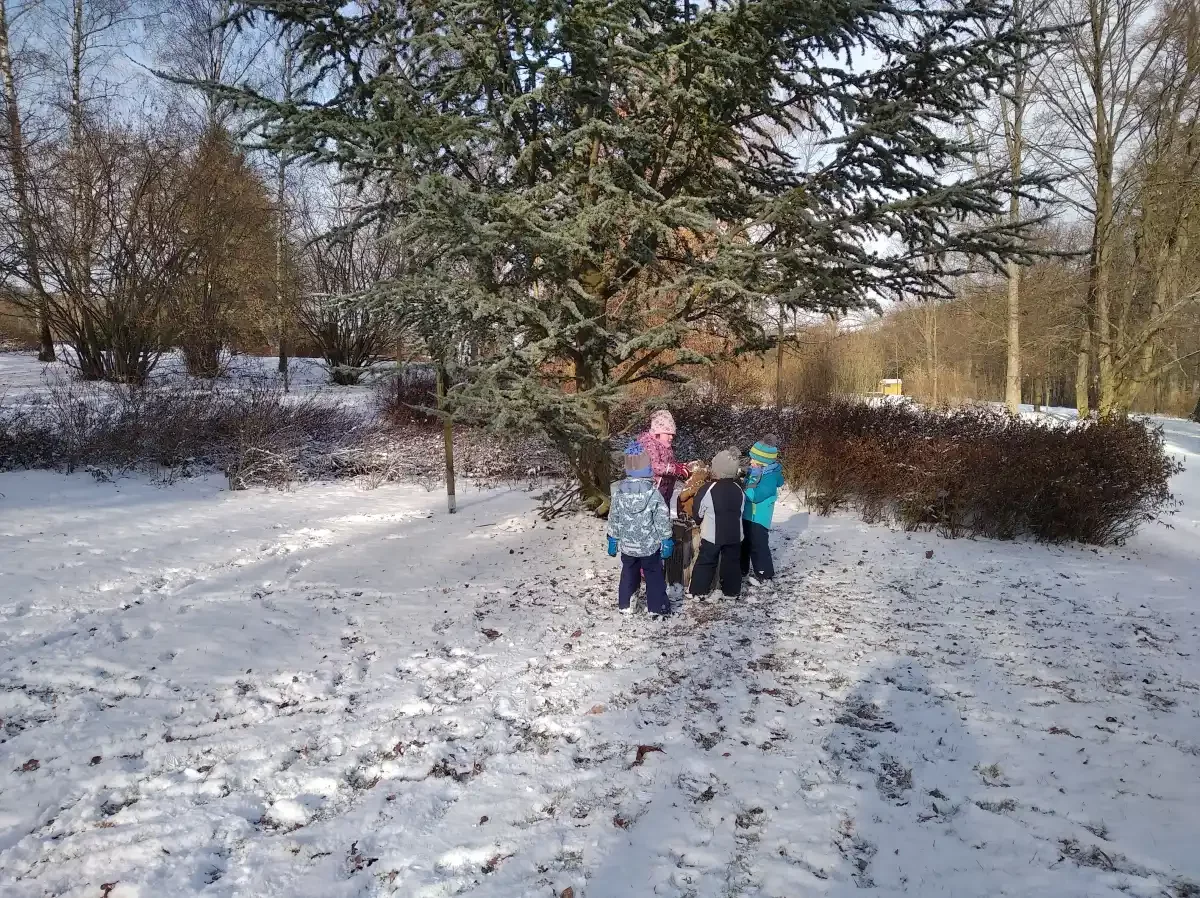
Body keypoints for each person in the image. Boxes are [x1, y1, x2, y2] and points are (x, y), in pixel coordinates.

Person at [607, 440, 675, 617]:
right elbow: (661, 519)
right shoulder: (653, 493)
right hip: (649, 547)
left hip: (628, 546)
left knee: (628, 574)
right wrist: (666, 539)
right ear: (647, 468)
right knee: (654, 575)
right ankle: (657, 608)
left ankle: (626, 604)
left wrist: (612, 538)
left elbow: (614, 517)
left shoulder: (619, 493)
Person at [689, 449, 744, 599]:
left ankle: (699, 591)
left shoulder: (708, 489)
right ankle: (732, 592)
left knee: (706, 561)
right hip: (734, 534)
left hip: (712, 534)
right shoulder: (739, 489)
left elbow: (698, 509)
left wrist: (698, 520)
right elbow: (741, 509)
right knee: (732, 562)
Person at [742, 435, 783, 585]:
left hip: (758, 518)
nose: (751, 462)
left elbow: (754, 495)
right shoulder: (758, 471)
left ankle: (764, 573)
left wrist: (745, 486)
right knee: (745, 542)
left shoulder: (769, 477)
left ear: (764, 462)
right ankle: (742, 569)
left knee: (758, 545)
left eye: (754, 460)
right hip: (749, 515)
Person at [638, 410, 693, 510]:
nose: (671, 437)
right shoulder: (649, 444)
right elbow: (655, 466)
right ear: (658, 432)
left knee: (664, 511)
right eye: (668, 434)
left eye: (672, 434)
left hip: (665, 488)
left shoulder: (665, 445)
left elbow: (668, 463)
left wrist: (679, 466)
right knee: (656, 512)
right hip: (653, 489)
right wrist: (675, 469)